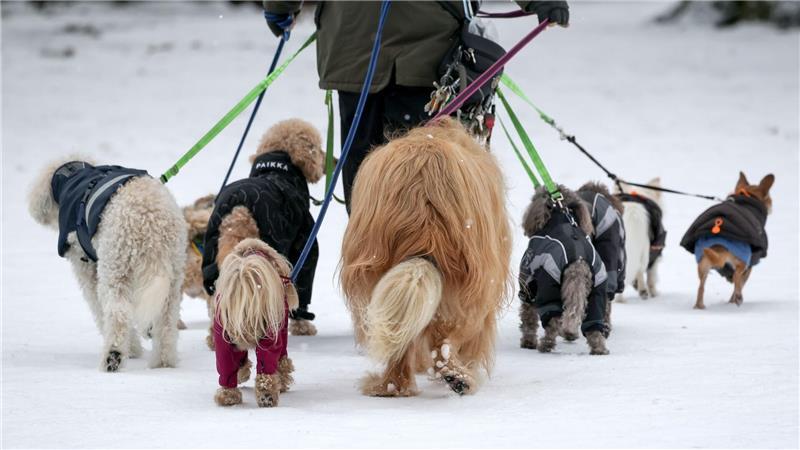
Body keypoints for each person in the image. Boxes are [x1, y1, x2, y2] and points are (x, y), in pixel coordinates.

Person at [264, 1, 569, 212]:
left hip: (354, 45)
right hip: (429, 51)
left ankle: (375, 277)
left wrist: (281, 7)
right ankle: (422, 276)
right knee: (430, 184)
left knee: (366, 185)